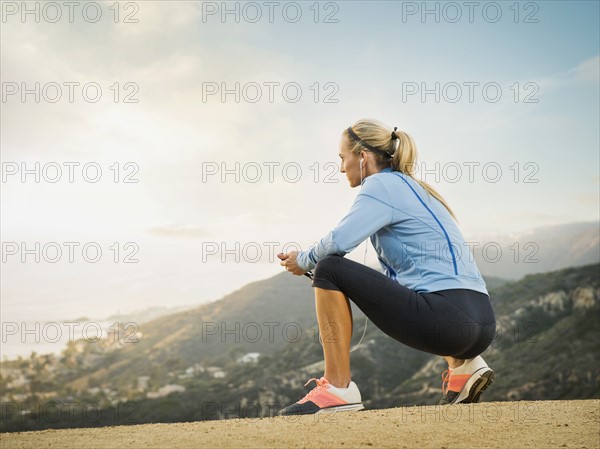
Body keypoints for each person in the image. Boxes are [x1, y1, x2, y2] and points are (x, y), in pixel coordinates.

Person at [276, 118, 497, 416]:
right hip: (482, 324)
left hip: (449, 324)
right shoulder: (420, 190)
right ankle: (463, 367)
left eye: (343, 158)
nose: (341, 168)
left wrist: (302, 261)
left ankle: (338, 389)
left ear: (363, 157)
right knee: (404, 285)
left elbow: (338, 242)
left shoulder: (381, 185)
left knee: (329, 267)